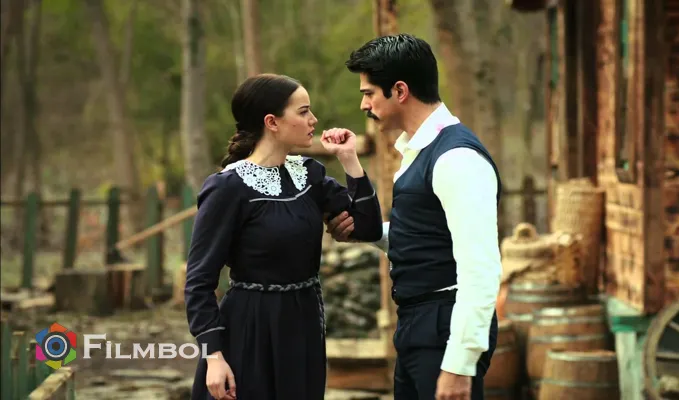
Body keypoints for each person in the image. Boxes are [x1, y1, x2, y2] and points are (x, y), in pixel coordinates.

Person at [184, 73, 383, 400]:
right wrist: (214, 357)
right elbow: (199, 281)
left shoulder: (309, 175)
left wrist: (349, 159)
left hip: (302, 324)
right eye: (303, 112)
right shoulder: (227, 188)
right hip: (250, 328)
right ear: (272, 122)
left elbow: (368, 228)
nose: (313, 119)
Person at [326, 34, 504, 400]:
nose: (363, 104)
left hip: (444, 327)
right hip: (418, 324)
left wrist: (459, 363)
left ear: (400, 91)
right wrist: (369, 232)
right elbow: (430, 235)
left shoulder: (456, 159)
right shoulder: (420, 151)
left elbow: (481, 269)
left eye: (369, 93)